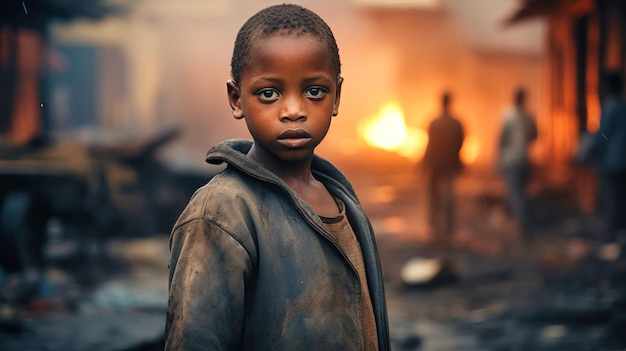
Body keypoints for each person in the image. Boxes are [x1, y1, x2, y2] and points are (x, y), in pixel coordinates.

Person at [165, 4, 390, 350]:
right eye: (269, 93)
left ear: (336, 96)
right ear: (237, 99)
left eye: (314, 91)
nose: (294, 110)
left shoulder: (341, 198)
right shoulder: (222, 213)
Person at [422, 92, 465, 243]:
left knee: (435, 197)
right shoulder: (456, 123)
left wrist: (424, 162)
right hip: (450, 164)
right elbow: (461, 143)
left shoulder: (435, 123)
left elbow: (430, 144)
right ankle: (449, 229)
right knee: (448, 196)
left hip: (436, 164)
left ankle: (435, 228)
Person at [590, 71, 626, 245]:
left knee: (611, 200)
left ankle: (611, 236)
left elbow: (603, 135)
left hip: (612, 162)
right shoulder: (624, 106)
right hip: (623, 162)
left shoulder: (610, 107)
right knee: (621, 199)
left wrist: (590, 148)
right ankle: (620, 232)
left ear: (609, 87)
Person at [497, 87, 537, 236]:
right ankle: (520, 223)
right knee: (521, 192)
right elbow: (535, 135)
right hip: (525, 160)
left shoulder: (508, 116)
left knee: (515, 194)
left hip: (511, 160)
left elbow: (501, 138)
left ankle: (523, 226)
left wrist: (498, 159)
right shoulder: (529, 116)